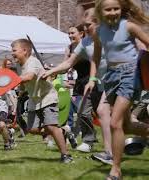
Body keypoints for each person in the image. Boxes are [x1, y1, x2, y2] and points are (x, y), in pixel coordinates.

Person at [84, 0, 149, 179]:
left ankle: (116, 170)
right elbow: (96, 58)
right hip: (111, 77)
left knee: (115, 123)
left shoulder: (129, 26)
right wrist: (92, 78)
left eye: (116, 8)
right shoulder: (98, 32)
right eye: (108, 9)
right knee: (126, 126)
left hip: (130, 74)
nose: (113, 12)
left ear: (122, 9)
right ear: (100, 12)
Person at [41, 8, 113, 165]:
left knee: (104, 112)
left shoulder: (109, 36)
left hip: (118, 78)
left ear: (98, 23)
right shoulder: (86, 43)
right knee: (121, 121)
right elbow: (68, 63)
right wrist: (51, 71)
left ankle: (109, 153)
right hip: (101, 83)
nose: (85, 29)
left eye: (88, 25)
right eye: (84, 25)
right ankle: (110, 152)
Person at [11, 39, 72, 163]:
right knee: (31, 129)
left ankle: (66, 156)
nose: (12, 53)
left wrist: (12, 80)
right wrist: (21, 90)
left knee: (50, 125)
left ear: (25, 51)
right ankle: (62, 131)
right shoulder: (18, 65)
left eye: (14, 50)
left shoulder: (33, 61)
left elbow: (29, 77)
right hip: (34, 99)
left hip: (47, 97)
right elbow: (24, 83)